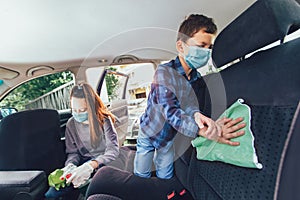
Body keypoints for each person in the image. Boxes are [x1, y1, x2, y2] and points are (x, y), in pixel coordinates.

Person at [133, 14, 240, 180]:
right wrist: (202, 130)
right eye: (201, 45)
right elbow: (170, 111)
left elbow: (190, 103)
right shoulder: (164, 72)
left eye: (209, 47)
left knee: (165, 176)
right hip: (149, 132)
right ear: (181, 47)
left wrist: (197, 115)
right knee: (141, 174)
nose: (206, 52)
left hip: (168, 137)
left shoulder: (195, 77)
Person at [45, 82, 119, 199]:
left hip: (103, 165)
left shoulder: (104, 121)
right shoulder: (71, 124)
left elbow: (113, 151)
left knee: (92, 192)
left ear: (91, 107)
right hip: (81, 166)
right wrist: (70, 165)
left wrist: (91, 165)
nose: (78, 114)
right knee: (51, 194)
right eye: (74, 110)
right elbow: (73, 152)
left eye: (83, 110)